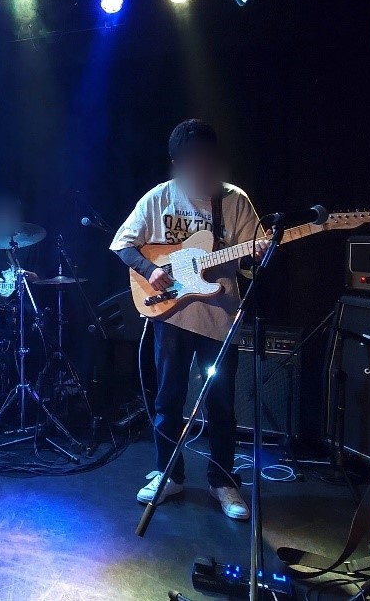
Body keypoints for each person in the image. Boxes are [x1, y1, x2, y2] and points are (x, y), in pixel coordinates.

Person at [109, 119, 261, 520]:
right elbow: (122, 244)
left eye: (207, 158)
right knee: (168, 400)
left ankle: (222, 481)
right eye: (192, 160)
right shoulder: (159, 198)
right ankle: (168, 474)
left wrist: (259, 254)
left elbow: (250, 257)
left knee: (221, 405)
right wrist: (150, 269)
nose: (201, 167)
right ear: (178, 162)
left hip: (220, 315)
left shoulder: (234, 201)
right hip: (172, 313)